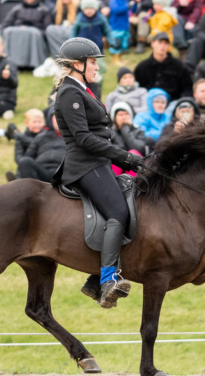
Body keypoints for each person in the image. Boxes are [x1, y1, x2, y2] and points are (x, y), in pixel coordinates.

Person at [53, 37, 144, 309]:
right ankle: (106, 281)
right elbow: (83, 138)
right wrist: (124, 155)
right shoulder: (70, 93)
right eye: (92, 62)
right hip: (85, 165)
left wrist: (123, 159)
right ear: (76, 64)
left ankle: (94, 280)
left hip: (98, 163)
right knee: (118, 212)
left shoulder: (83, 89)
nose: (96, 67)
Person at [2, 0, 52, 70]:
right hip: (16, 37)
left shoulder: (44, 10)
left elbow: (48, 31)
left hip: (34, 39)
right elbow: (5, 26)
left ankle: (33, 62)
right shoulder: (16, 9)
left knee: (33, 33)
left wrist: (31, 31)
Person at [133, 33, 193, 101]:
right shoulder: (142, 67)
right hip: (147, 103)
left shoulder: (179, 66)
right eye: (160, 42)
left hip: (172, 102)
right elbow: (136, 88)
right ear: (152, 44)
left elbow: (188, 88)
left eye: (166, 43)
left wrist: (181, 103)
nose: (163, 46)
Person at [10, 109, 66, 182]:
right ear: (51, 119)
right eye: (56, 117)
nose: (58, 120)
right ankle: (27, 189)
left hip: (62, 172)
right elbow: (28, 156)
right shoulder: (41, 136)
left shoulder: (74, 138)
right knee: (25, 161)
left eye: (62, 117)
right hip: (42, 172)